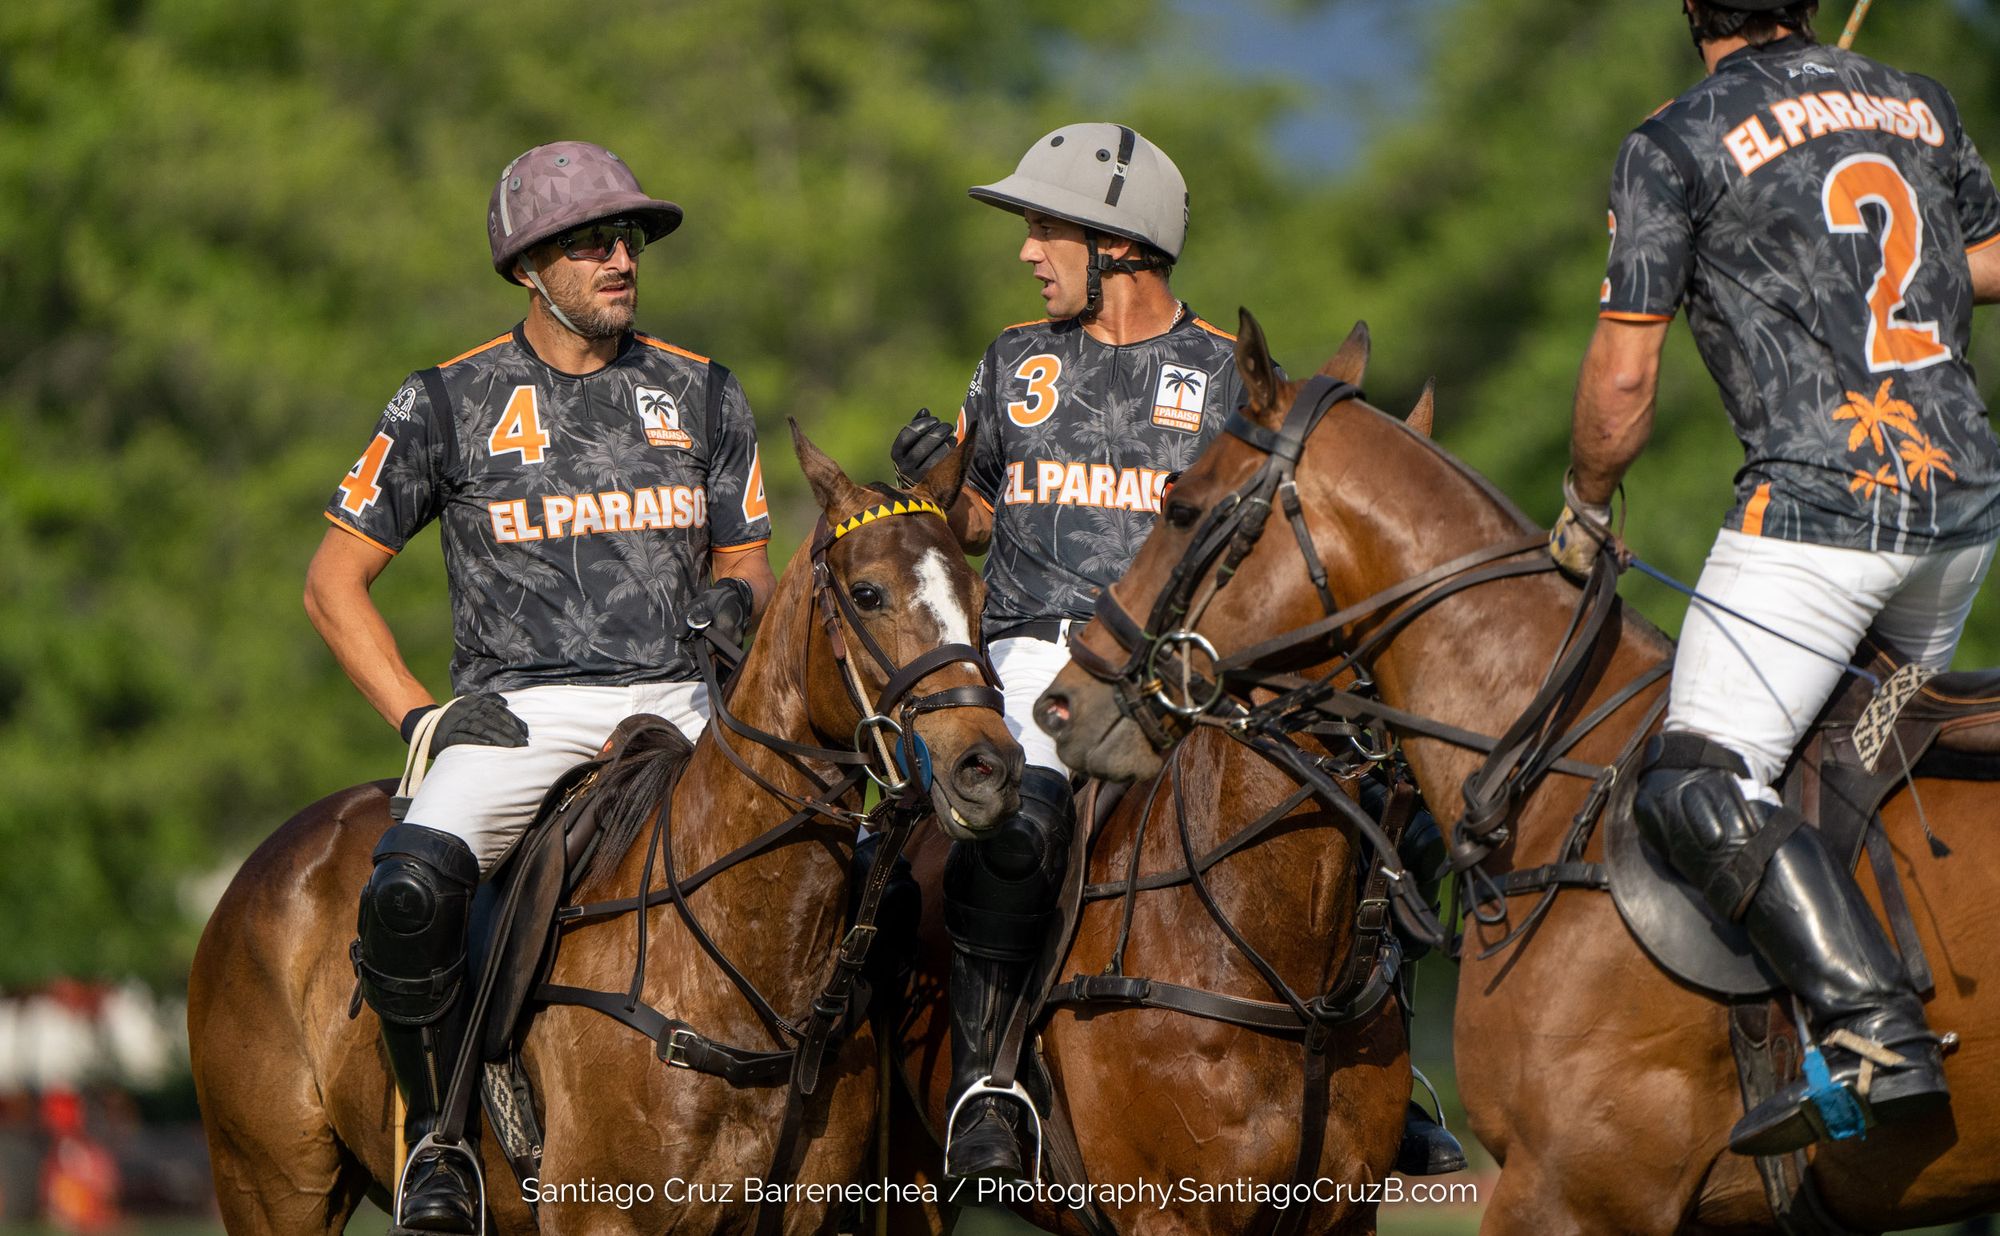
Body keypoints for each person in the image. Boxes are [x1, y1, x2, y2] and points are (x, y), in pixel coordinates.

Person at [892, 122, 1464, 1180]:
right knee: (1022, 821)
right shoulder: (1012, 360)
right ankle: (987, 1084)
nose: (1027, 251)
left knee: (1363, 812)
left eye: (1045, 228)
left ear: (1116, 242)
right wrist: (942, 481)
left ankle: (1385, 1080)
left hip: (1181, 665)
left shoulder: (1223, 377)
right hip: (1035, 651)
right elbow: (972, 524)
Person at [1553, 0, 2000, 1155]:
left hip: (1817, 520)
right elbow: (1990, 257)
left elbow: (1620, 387)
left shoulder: (1672, 141)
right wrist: (1847, 264)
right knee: (1840, 766)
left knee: (1693, 782)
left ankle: (1872, 1034)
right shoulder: (1914, 101)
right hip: (1959, 515)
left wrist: (1584, 503)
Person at [304, 141, 774, 1231]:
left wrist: (734, 600)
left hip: (682, 701)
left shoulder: (703, 390)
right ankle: (438, 1144)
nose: (621, 258)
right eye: (591, 243)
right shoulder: (444, 400)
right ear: (528, 267)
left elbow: (747, 557)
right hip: (521, 713)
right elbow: (333, 584)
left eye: (629, 238)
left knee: (850, 855)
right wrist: (420, 717)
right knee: (406, 889)